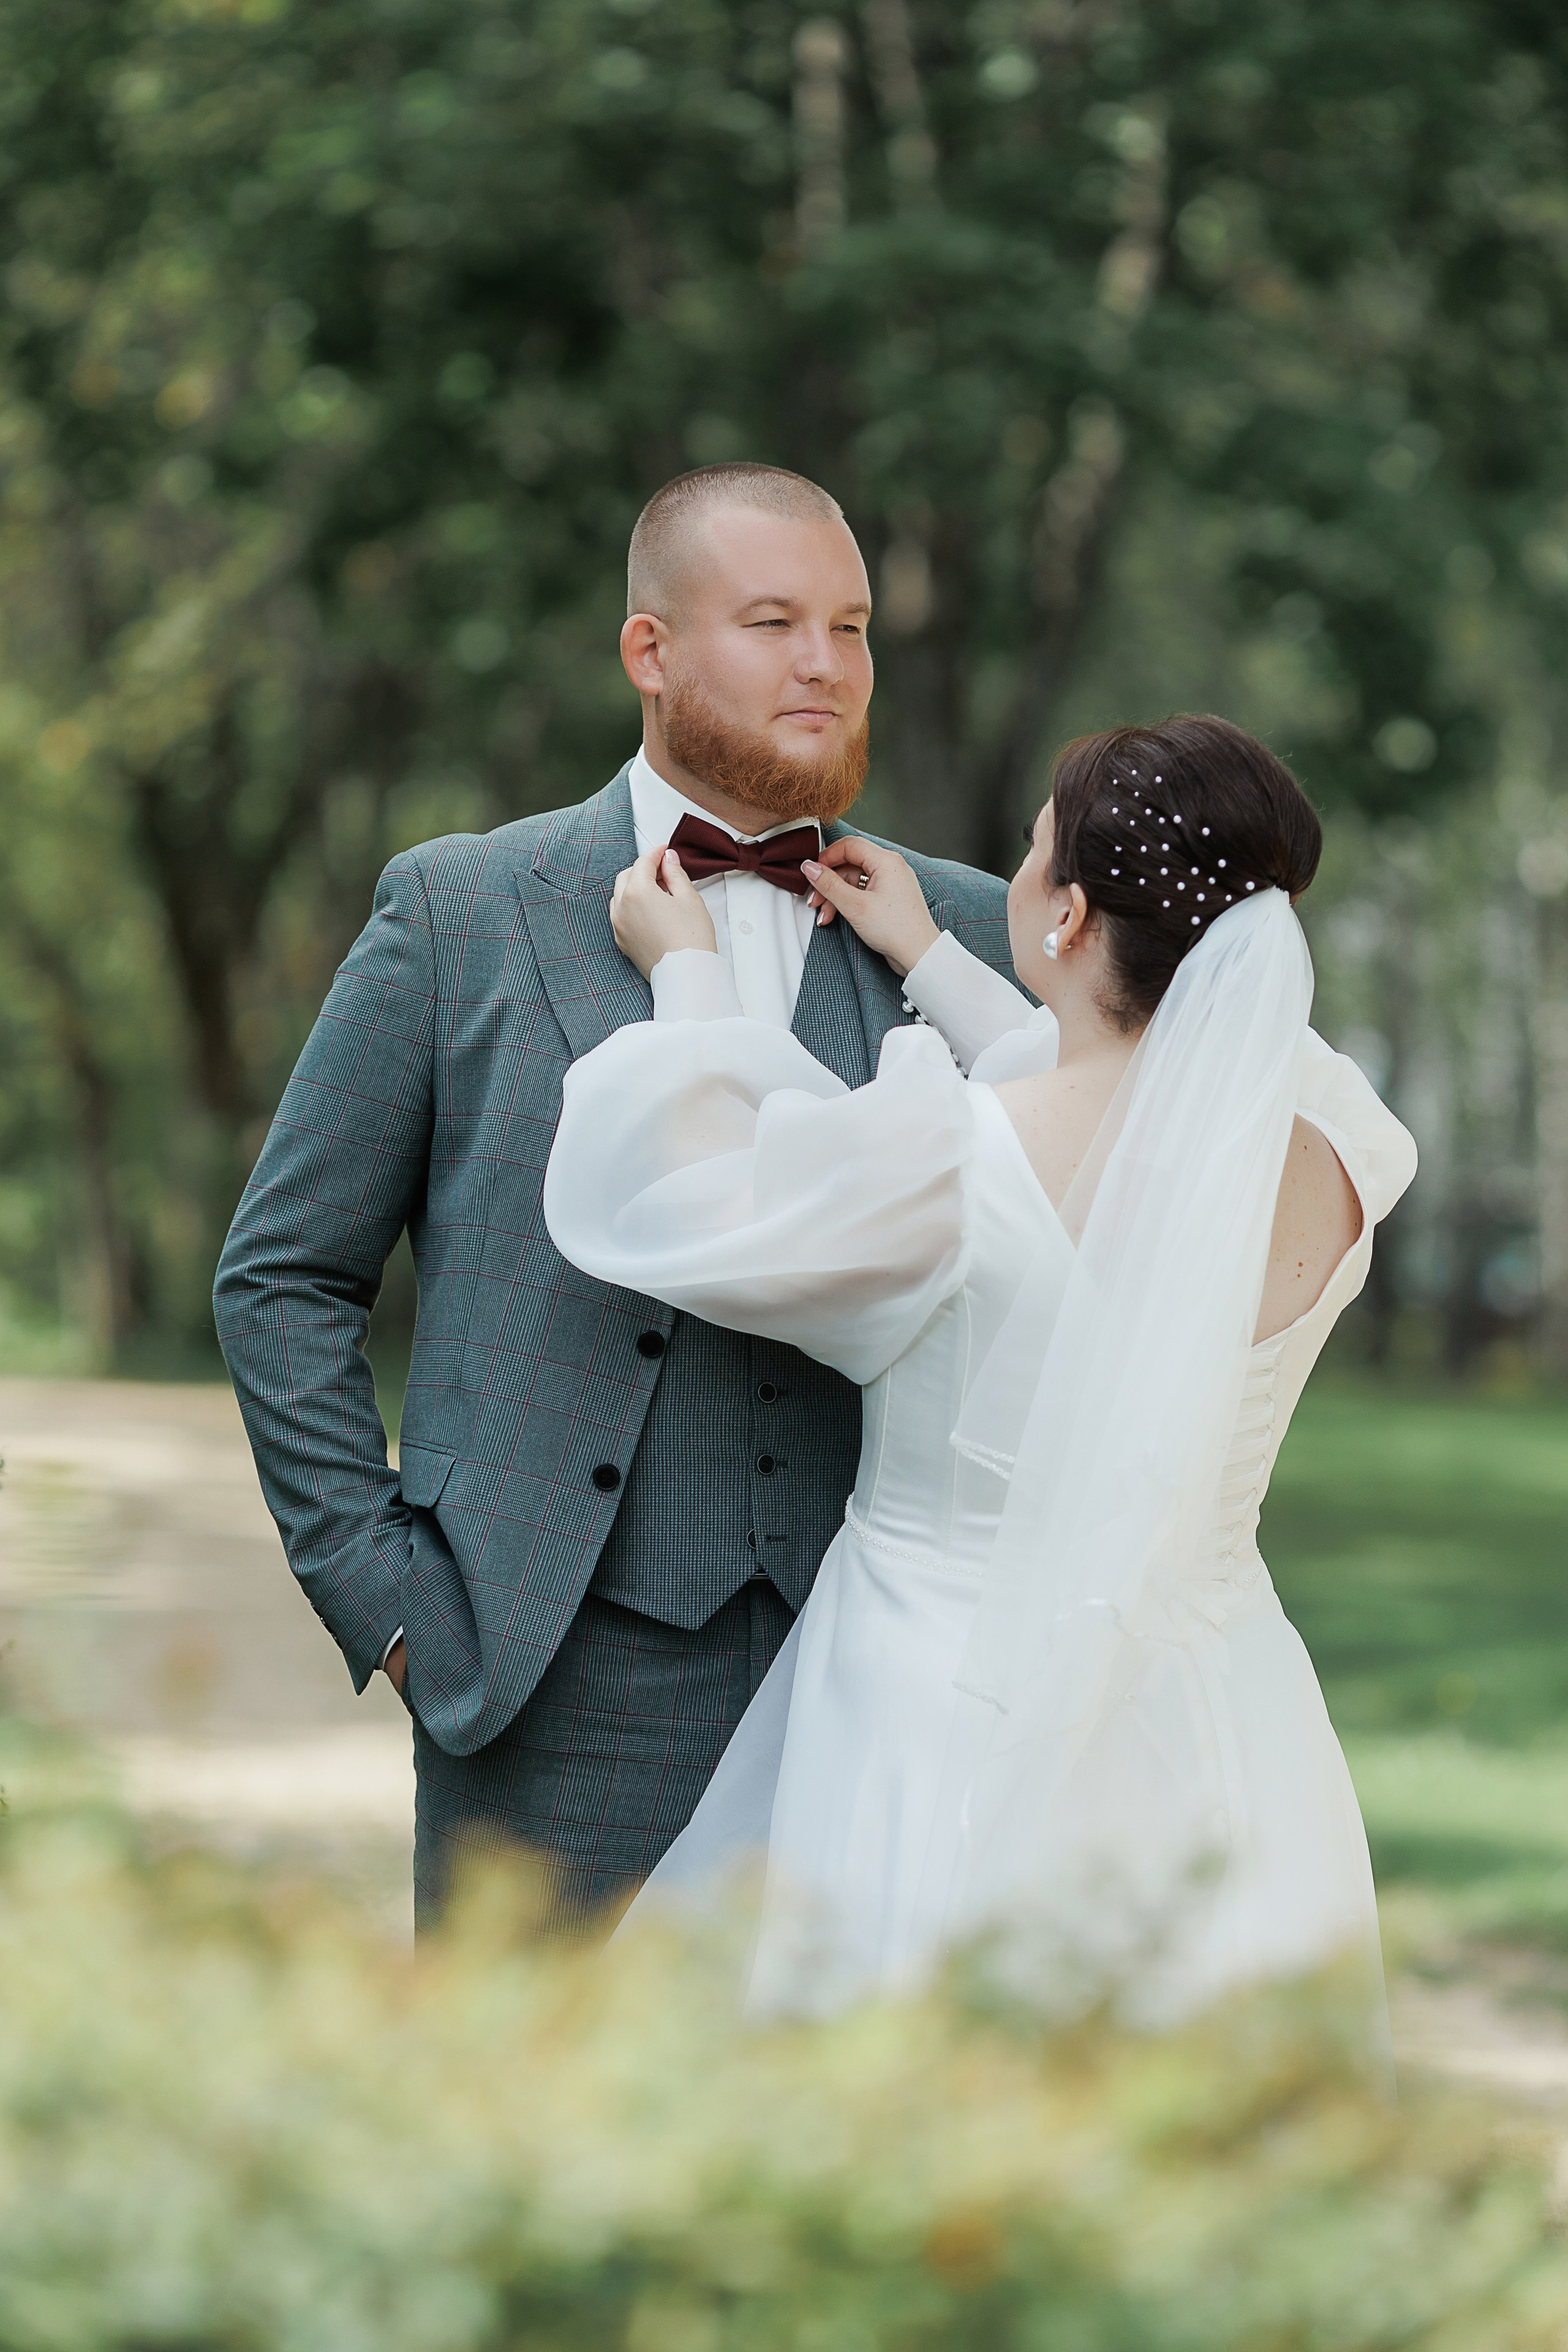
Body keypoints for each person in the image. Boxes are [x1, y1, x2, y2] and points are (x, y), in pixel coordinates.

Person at [213, 462, 1017, 1928]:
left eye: (849, 627)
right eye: (773, 622)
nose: (825, 667)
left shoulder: (957, 927)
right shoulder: (461, 909)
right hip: (539, 1683)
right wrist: (386, 1597)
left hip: (887, 1684)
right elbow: (283, 1274)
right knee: (526, 2133)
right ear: (649, 652)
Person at [544, 715, 1419, 2020]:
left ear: (1064, 920)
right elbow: (1143, 1105)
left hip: (937, 1692)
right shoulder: (1341, 1146)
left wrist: (689, 982)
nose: (1010, 876)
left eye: (1028, 856)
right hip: (1218, 1695)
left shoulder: (948, 1160)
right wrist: (932, 959)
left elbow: (711, 1202)